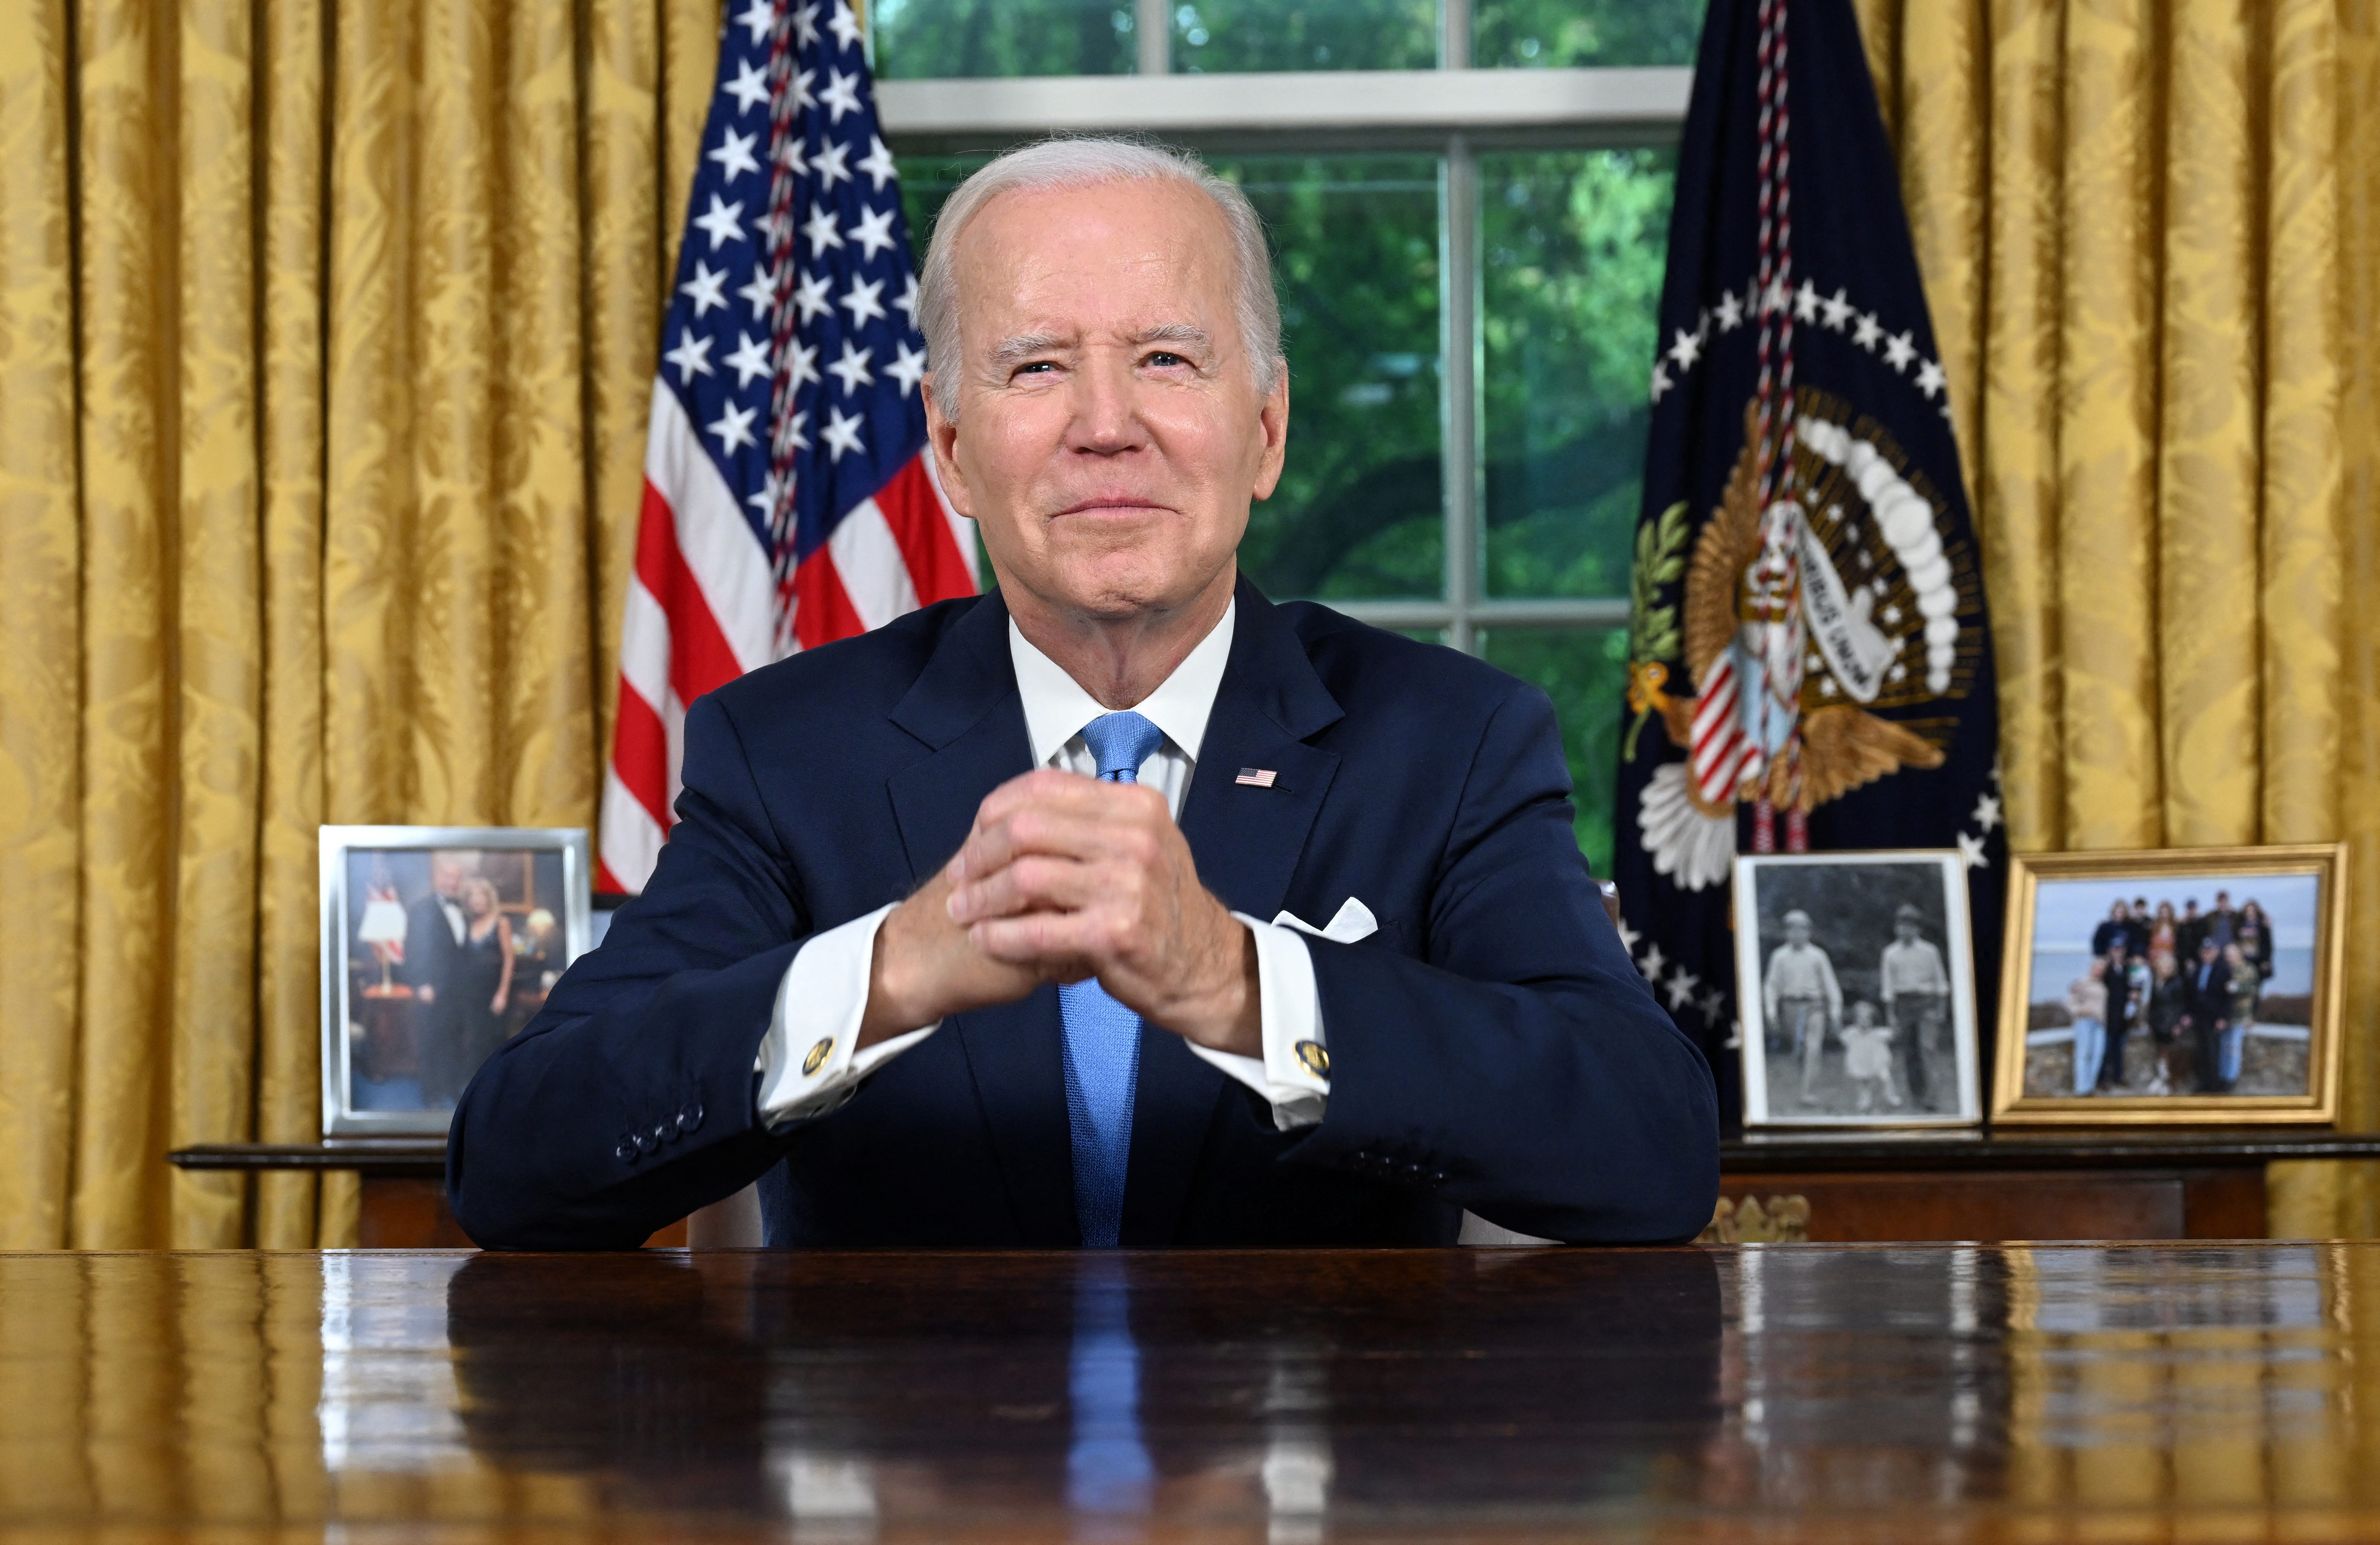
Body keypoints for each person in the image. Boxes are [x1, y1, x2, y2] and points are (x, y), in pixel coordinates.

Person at [445, 138, 1719, 1250]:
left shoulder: (1449, 741)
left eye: (1165, 358)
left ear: (1264, 432)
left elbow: (1649, 1148)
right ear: (949, 447)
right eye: (1036, 367)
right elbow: (513, 1165)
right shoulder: (787, 751)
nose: (1105, 425)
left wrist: (1237, 983)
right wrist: (891, 970)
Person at [399, 851, 475, 1109]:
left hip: (458, 990)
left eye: (457, 877)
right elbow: (414, 948)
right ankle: (430, 1095)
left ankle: (452, 1090)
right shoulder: (422, 908)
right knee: (431, 1042)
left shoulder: (463, 909)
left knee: (455, 1041)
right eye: (447, 876)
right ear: (438, 877)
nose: (452, 882)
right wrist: (422, 984)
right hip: (432, 989)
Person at [1763, 910, 1843, 1104]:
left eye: (1802, 930)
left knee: (1813, 1048)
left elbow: (1831, 985)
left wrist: (1835, 1012)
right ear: (1787, 932)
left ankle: (1809, 1092)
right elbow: (1771, 986)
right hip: (1790, 1006)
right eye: (1792, 930)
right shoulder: (1780, 956)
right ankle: (1804, 1083)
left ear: (1809, 932)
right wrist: (1771, 1012)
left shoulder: (1818, 956)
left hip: (1815, 1006)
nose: (1797, 934)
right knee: (1799, 1050)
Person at [449, 877, 517, 1097]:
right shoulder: (469, 924)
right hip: (470, 994)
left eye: (481, 895)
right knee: (473, 1041)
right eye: (472, 897)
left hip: (493, 992)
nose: (477, 901)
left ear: (489, 899)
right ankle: (475, 1091)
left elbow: (509, 959)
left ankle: (495, 1091)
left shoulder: (501, 922)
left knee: (493, 1041)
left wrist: (502, 994)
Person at [1877, 904, 1949, 1108]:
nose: (1905, 931)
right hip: (1904, 1005)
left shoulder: (1929, 951)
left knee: (1927, 1048)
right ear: (1896, 928)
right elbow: (1888, 988)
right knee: (1910, 1052)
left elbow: (1940, 982)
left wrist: (1941, 1009)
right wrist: (1891, 1015)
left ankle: (1932, 1097)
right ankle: (1917, 1094)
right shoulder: (1890, 954)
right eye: (1901, 926)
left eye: (1910, 926)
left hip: (1926, 1003)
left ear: (1918, 929)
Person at [2184, 937, 2234, 1094]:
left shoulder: (2224, 970)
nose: (2207, 954)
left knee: (2214, 1052)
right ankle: (2203, 1084)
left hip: (2215, 1018)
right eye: (2204, 951)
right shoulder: (2197, 970)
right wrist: (2189, 1015)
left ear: (2216, 952)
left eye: (2210, 951)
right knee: (2202, 1052)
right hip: (2200, 1018)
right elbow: (2191, 995)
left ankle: (2214, 1087)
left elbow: (2229, 997)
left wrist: (2224, 1018)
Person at [2097, 937, 2147, 1092]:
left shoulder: (2128, 969)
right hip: (2108, 1015)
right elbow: (2093, 983)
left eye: (2121, 949)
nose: (2118, 952)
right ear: (2110, 951)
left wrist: (2135, 995)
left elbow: (2137, 985)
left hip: (2124, 1017)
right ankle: (2102, 1079)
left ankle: (2118, 1077)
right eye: (2115, 949)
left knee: (2119, 1050)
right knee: (2105, 1050)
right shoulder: (2106, 970)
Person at [1838, 1001, 1899, 1114]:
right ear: (1855, 1019)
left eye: (1867, 1018)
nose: (1864, 1021)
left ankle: (1891, 1097)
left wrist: (1894, 1022)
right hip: (1861, 1063)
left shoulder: (1878, 1033)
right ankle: (1865, 1101)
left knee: (1885, 1078)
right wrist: (1836, 1020)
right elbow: (1841, 1037)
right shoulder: (1852, 1033)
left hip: (1878, 1062)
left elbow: (1894, 1035)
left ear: (1873, 1020)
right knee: (1863, 1082)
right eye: (1860, 1018)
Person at [2143, 949, 2188, 1096]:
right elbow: (2153, 1005)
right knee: (2160, 1052)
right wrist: (2150, 1022)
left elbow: (2180, 1005)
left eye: (2168, 967)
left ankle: (2170, 1082)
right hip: (2158, 1023)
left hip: (2171, 1023)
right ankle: (2161, 1078)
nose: (2165, 970)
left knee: (2172, 1054)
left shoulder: (2177, 983)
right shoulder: (2156, 982)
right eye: (2163, 967)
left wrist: (2178, 1025)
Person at [2221, 940, 2262, 1089]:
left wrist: (2237, 988)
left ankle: (2230, 1080)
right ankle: (2222, 1077)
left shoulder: (2248, 970)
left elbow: (2253, 990)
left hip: (2241, 1016)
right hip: (2226, 1016)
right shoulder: (2225, 969)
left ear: (2239, 954)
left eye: (2231, 954)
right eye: (2227, 955)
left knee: (2233, 1048)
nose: (2229, 957)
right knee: (2224, 1047)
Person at [2066, 961, 2108, 1095]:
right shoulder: (2082, 982)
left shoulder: (2103, 984)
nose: (2099, 971)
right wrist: (2080, 1010)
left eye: (2102, 969)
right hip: (2085, 1022)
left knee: (2098, 1054)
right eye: (2097, 968)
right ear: (2092, 968)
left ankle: (2090, 1086)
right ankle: (2081, 1089)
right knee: (2083, 1054)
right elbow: (2070, 1002)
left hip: (2100, 1023)